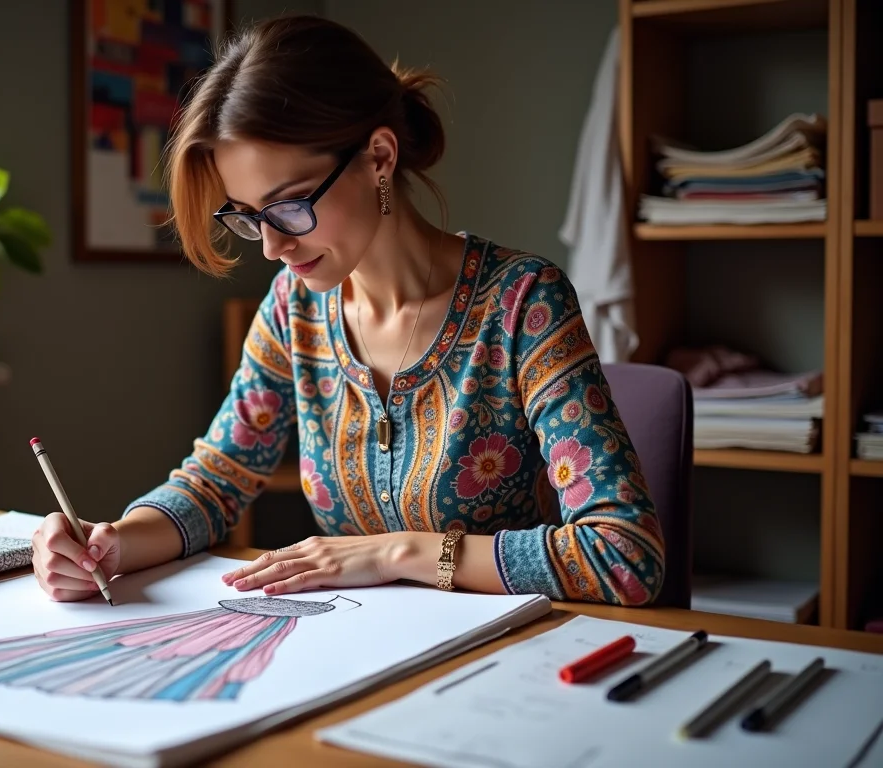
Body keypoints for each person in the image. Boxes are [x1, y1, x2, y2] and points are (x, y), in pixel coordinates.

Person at [32, 14, 664, 607]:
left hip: (500, 670)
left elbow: (624, 554)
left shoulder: (523, 302)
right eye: (250, 217)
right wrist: (113, 543)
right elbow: (216, 478)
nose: (275, 247)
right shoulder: (294, 310)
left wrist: (396, 554)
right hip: (357, 662)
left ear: (379, 157)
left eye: (290, 206)